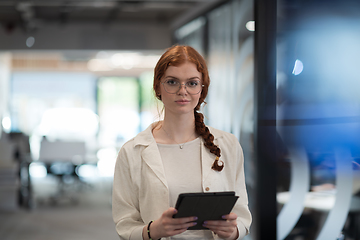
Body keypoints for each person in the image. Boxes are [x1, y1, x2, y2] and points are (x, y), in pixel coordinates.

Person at [112, 45, 252, 240]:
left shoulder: (227, 144)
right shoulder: (132, 151)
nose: (182, 91)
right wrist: (154, 230)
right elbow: (125, 224)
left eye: (192, 83)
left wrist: (233, 231)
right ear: (157, 87)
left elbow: (242, 214)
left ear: (202, 89)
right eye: (172, 82)